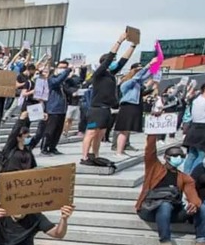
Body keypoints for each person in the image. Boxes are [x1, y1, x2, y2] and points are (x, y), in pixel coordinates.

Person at [135, 134, 205, 245]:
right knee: (165, 205)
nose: (178, 158)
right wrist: (153, 133)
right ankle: (165, 242)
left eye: (181, 156)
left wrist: (195, 204)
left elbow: (193, 195)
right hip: (149, 208)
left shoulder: (184, 177)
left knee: (203, 207)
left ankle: (201, 243)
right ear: (166, 157)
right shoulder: (155, 168)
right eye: (175, 156)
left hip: (172, 210)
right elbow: (150, 151)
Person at [81, 32, 136, 167]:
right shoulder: (98, 74)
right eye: (111, 62)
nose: (113, 63)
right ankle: (84, 156)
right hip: (96, 109)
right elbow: (109, 58)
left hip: (106, 109)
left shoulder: (111, 75)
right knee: (91, 132)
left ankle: (95, 154)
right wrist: (119, 41)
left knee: (100, 134)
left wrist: (133, 46)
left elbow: (123, 61)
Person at [114, 61, 155, 156]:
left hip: (135, 106)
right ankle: (118, 151)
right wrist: (147, 65)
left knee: (127, 130)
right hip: (127, 106)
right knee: (124, 130)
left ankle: (122, 149)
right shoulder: (126, 83)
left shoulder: (137, 84)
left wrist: (155, 66)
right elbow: (138, 77)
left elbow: (146, 76)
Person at [40, 60, 74, 156]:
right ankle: (44, 148)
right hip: (52, 108)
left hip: (62, 109)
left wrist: (82, 69)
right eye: (61, 67)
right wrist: (67, 71)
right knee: (50, 130)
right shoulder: (51, 79)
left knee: (58, 130)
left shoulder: (64, 82)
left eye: (65, 67)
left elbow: (77, 81)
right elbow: (56, 81)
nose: (63, 70)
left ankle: (53, 147)